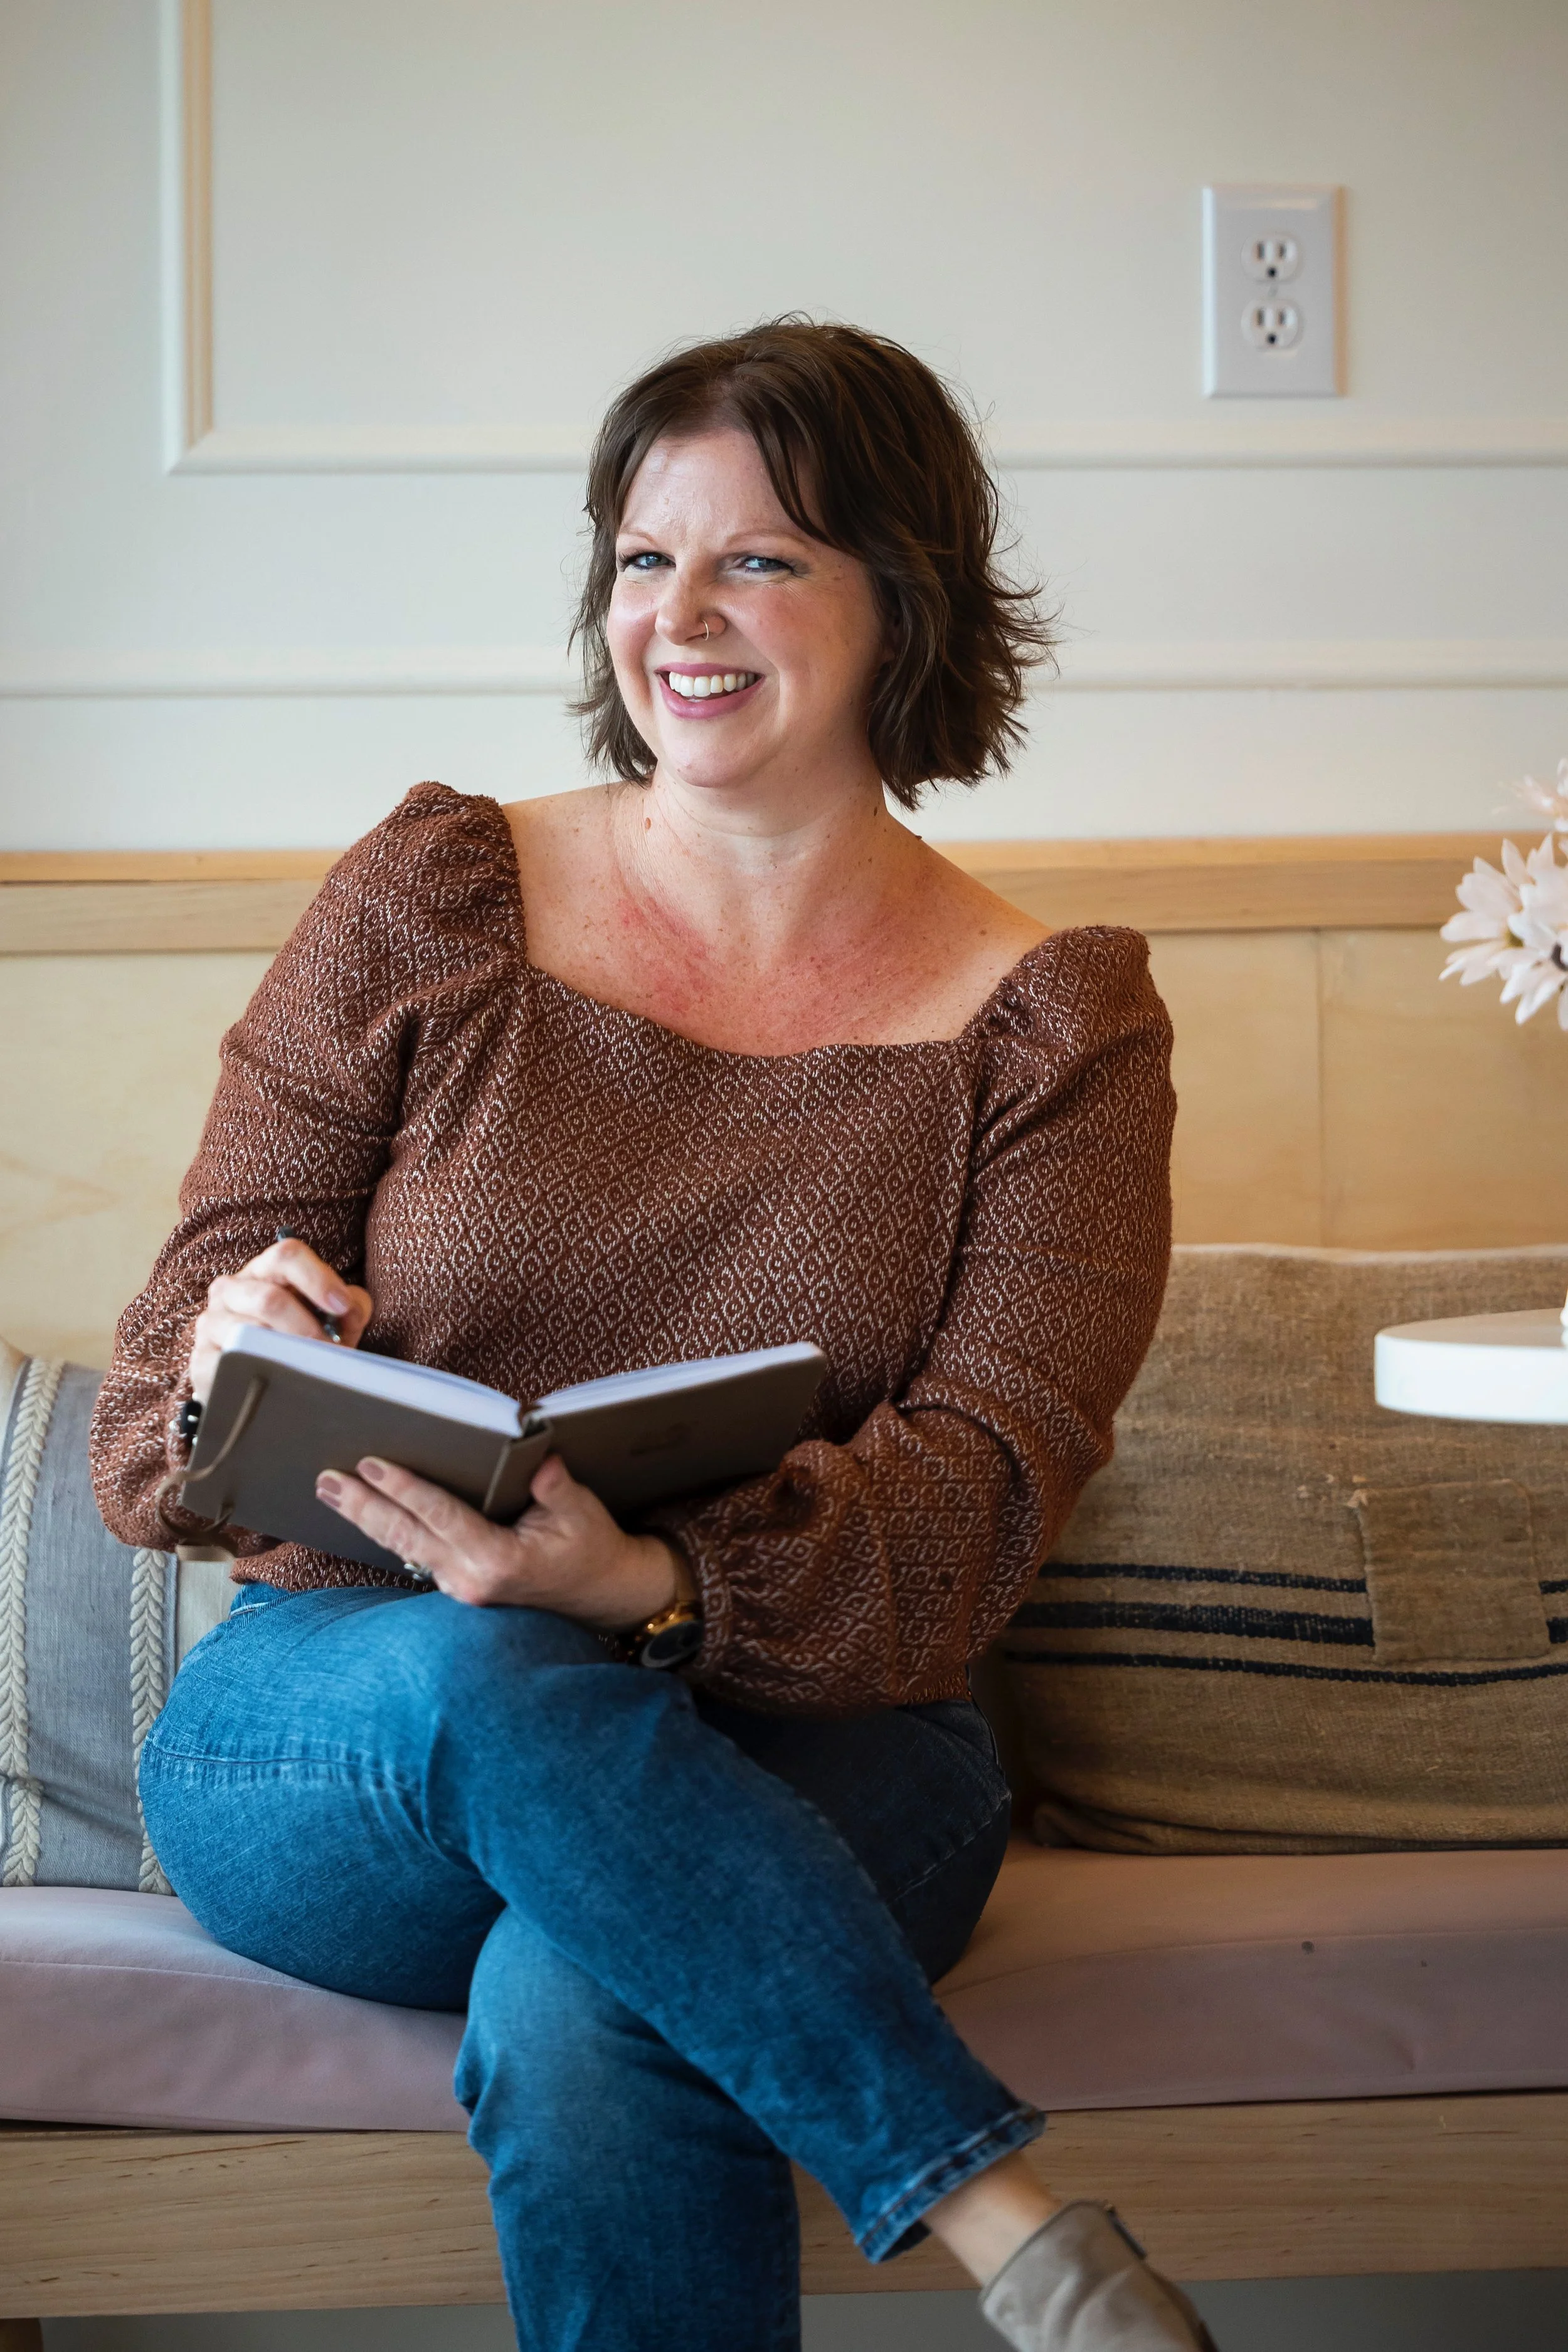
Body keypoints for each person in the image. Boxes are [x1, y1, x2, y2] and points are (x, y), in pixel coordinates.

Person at [90, 319, 1204, 2352]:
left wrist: (658, 1582)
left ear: (902, 599)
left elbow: (985, 1495)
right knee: (484, 1666)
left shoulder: (1053, 1031)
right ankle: (1001, 2214)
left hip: (831, 1746)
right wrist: (221, 1333)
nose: (675, 617)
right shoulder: (437, 892)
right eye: (636, 558)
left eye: (759, 560)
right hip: (346, 1721)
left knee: (588, 1995)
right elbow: (186, 1308)